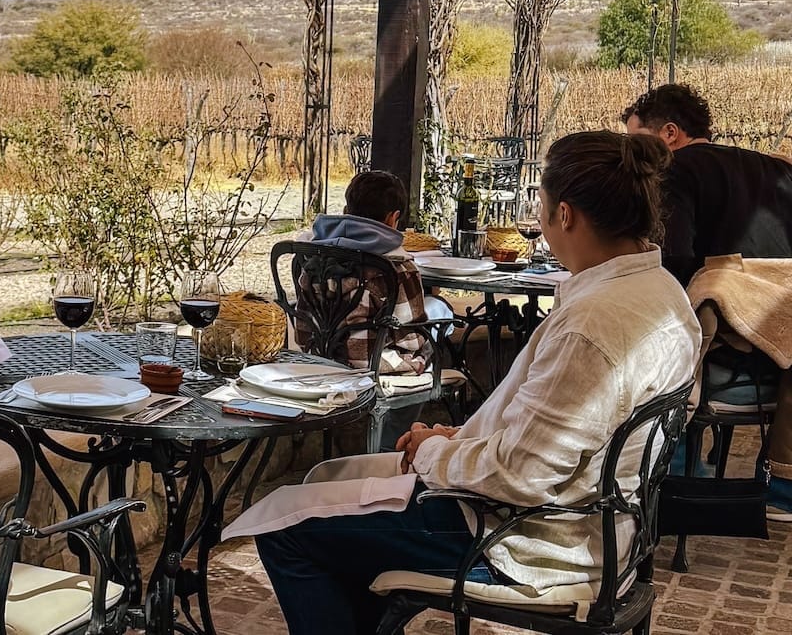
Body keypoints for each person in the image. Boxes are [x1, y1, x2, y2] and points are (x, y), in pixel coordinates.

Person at [250, 132, 700, 635]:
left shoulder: (592, 325)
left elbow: (522, 474)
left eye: (543, 209)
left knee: (285, 529)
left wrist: (430, 454)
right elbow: (555, 436)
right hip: (603, 528)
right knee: (330, 486)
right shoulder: (664, 294)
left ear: (566, 215)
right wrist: (457, 441)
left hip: (528, 541)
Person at [624, 83, 792, 520]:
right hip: (781, 355)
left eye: (634, 142)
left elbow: (674, 264)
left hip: (725, 355)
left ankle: (668, 474)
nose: (629, 157)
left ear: (669, 135)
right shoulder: (774, 170)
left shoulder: (676, 170)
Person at [295, 170, 430, 450]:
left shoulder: (314, 253)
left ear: (347, 210)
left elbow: (303, 323)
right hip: (368, 365)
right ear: (393, 218)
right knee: (431, 346)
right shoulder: (396, 266)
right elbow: (411, 338)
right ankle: (388, 446)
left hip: (320, 355)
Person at [622, 83, 792, 286]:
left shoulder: (671, 171)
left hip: (721, 308)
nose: (632, 152)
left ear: (670, 133)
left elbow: (673, 259)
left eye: (636, 141)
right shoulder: (778, 168)